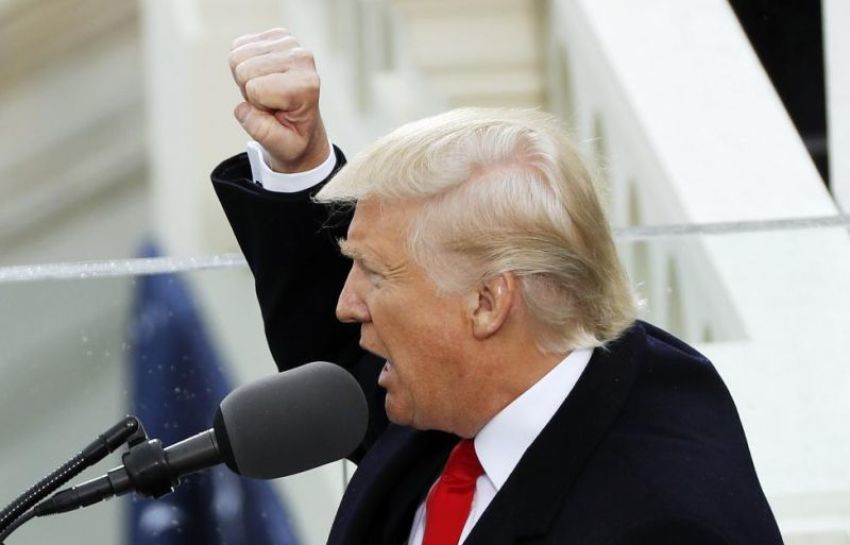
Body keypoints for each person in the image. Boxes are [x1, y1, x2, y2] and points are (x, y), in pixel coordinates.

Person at [212, 28, 784, 545]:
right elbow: (341, 371)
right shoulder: (478, 384)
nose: (346, 304)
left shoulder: (665, 520)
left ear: (487, 303)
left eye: (376, 275)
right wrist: (300, 163)